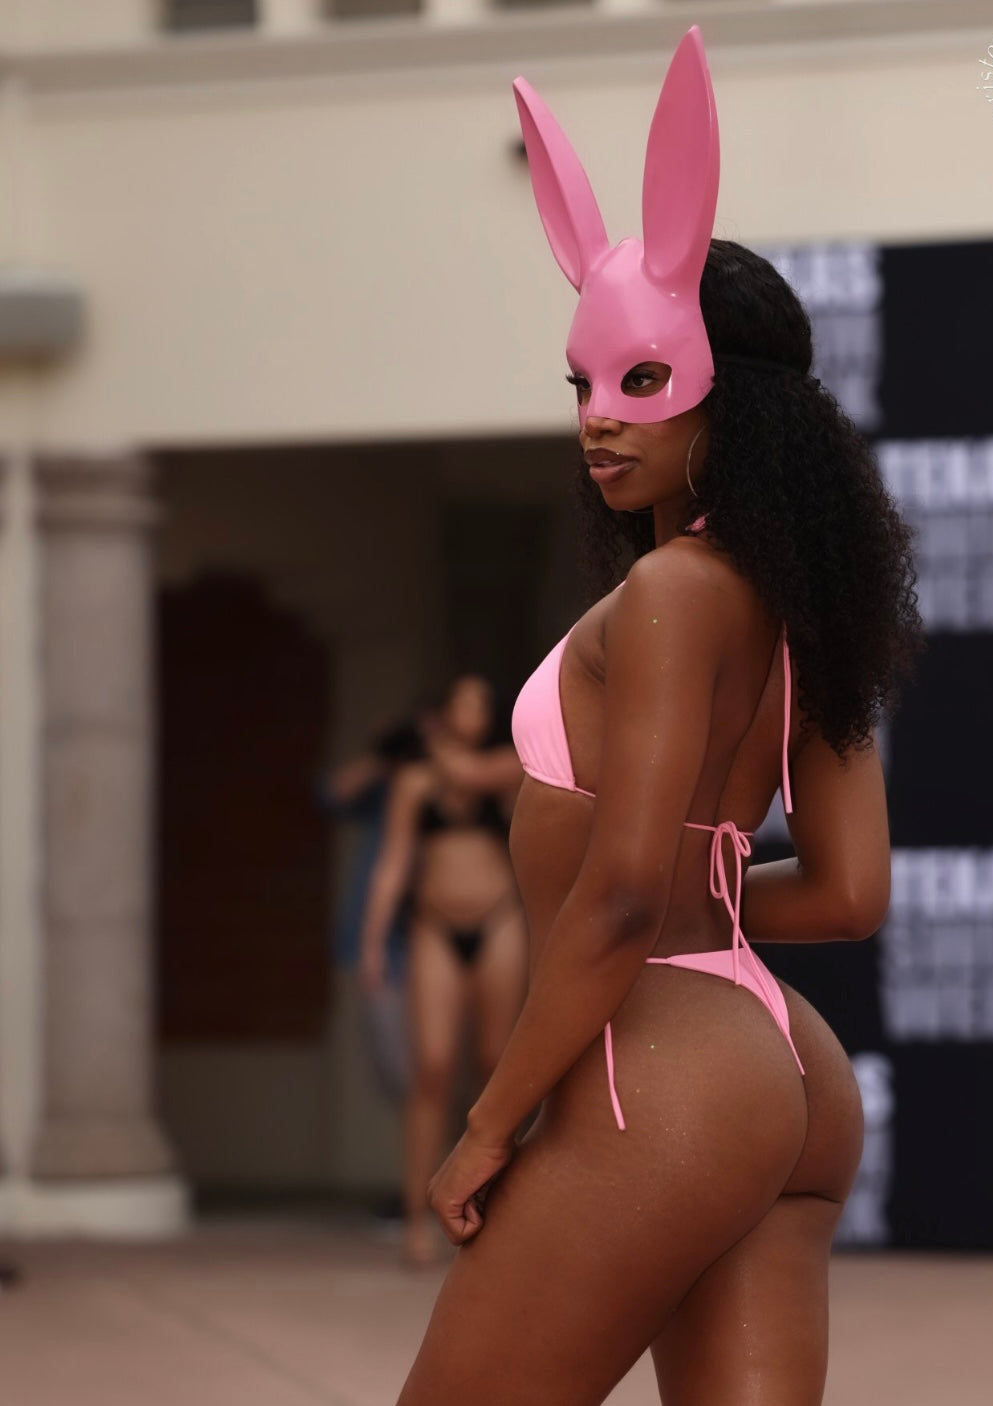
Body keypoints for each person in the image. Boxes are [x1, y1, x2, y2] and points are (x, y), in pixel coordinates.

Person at [394, 27, 922, 1405]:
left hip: (660, 1075)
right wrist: (713, 905)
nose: (597, 419)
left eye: (638, 382)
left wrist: (490, 1122)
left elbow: (625, 894)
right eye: (581, 383)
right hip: (783, 1071)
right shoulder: (804, 600)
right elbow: (850, 888)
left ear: (729, 398)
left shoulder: (675, 595)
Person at [361, 674, 527, 1268]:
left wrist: (425, 738)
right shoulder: (414, 782)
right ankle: (415, 1218)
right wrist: (373, 942)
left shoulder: (507, 765)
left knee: (494, 1066)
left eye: (481, 702)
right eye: (461, 702)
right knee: (430, 1069)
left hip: (499, 921)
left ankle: (494, 1212)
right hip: (433, 926)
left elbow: (471, 777)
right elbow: (393, 863)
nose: (471, 712)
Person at [319, 718, 427, 1116]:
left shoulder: (453, 781)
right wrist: (384, 758)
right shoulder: (386, 785)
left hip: (439, 928)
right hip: (388, 939)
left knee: (447, 1063)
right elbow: (331, 794)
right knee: (400, 1069)